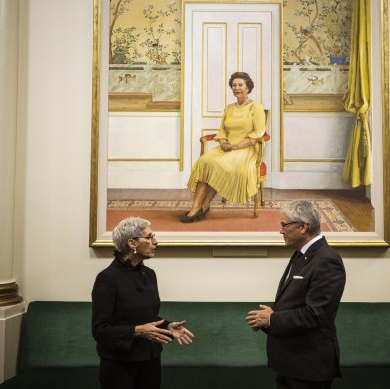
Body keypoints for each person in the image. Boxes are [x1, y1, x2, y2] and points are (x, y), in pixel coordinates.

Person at [246, 200, 346, 389]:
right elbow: (295, 302)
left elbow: (316, 314)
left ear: (303, 227)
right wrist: (269, 316)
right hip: (291, 363)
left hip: (309, 365)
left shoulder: (327, 260)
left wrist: (272, 319)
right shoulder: (302, 254)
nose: (281, 231)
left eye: (284, 225)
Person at [92, 217, 194, 389]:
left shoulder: (149, 274)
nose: (155, 242)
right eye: (149, 237)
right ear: (132, 243)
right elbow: (100, 330)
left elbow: (147, 317)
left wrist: (167, 326)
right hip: (119, 364)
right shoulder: (107, 278)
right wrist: (137, 331)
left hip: (150, 360)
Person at [182, 71, 267, 223]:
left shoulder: (256, 107)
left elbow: (258, 133)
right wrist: (223, 143)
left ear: (248, 87)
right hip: (227, 147)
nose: (237, 88)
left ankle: (205, 205)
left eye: (240, 85)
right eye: (234, 85)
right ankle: (196, 207)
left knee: (219, 165)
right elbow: (222, 130)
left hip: (245, 149)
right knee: (204, 162)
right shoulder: (229, 108)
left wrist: (236, 146)